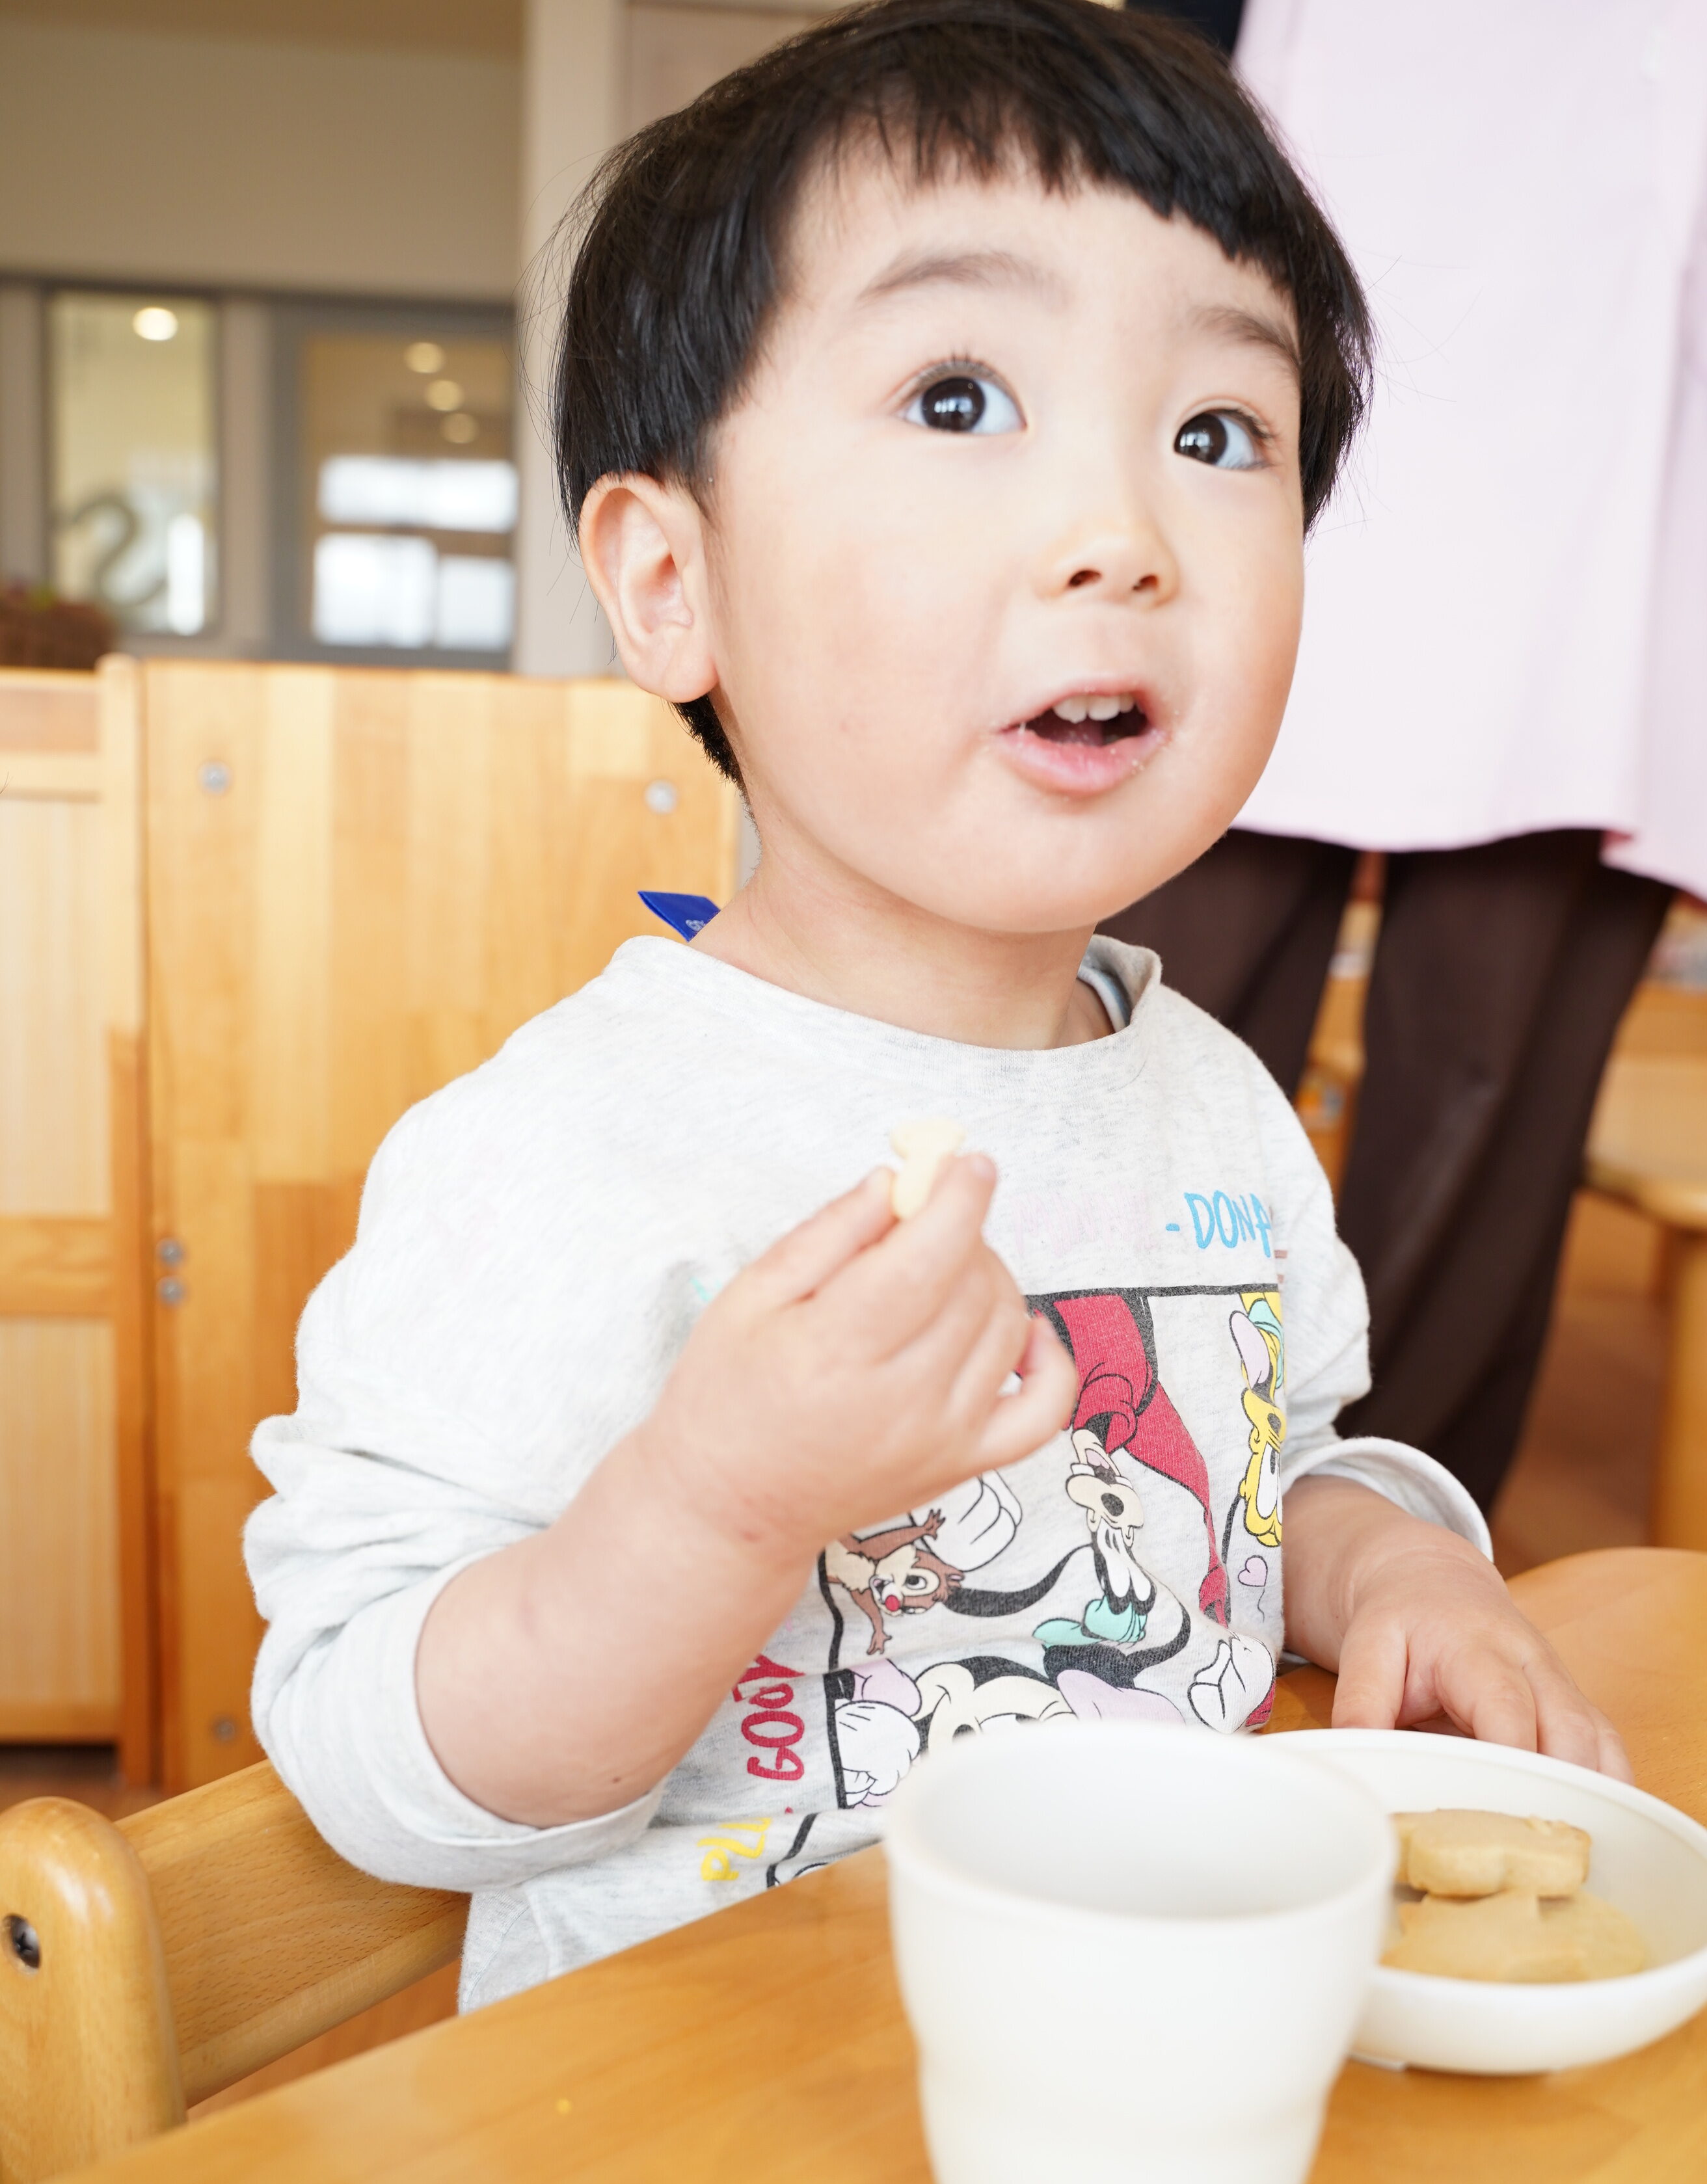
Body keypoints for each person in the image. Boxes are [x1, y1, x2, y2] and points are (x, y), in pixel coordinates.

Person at [245, 0, 1626, 2012]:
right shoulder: (559, 1153)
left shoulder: (1214, 1106)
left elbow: (1280, 1476)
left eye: (1217, 433)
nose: (1122, 538)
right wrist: (716, 1503)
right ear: (669, 582)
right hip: (699, 2128)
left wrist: (1400, 1559)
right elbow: (373, 1761)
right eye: (961, 397)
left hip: (1157, 2042)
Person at [1106, 0, 1707, 1514]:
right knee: (1135, 1022)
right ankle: (1078, 1491)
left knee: (1487, 1084)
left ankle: (1380, 1544)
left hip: (1619, 413)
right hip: (1284, 295)